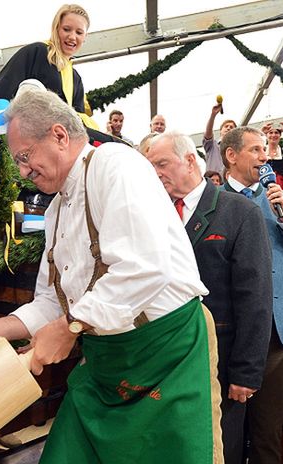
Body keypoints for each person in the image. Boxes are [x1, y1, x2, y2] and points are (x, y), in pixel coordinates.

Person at [0, 88, 223, 463]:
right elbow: (52, 302)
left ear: (58, 135)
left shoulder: (116, 165)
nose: (22, 171)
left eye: (25, 157)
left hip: (167, 351)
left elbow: (145, 266)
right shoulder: (56, 211)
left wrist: (70, 327)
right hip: (106, 364)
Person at [147, 131, 273, 463]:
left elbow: (255, 295)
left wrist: (246, 372)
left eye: (161, 163)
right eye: (150, 167)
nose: (155, 173)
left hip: (221, 362)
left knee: (220, 448)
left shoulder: (239, 211)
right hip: (164, 361)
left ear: (190, 160)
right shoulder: (149, 214)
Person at [220, 126, 283, 464]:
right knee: (227, 430)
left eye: (265, 151)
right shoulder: (214, 202)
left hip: (275, 332)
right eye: (256, 150)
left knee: (268, 431)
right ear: (231, 156)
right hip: (229, 331)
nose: (264, 157)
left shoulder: (276, 198)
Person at [0, 4, 119, 146]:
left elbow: (77, 123)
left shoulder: (75, 78)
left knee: (118, 146)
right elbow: (2, 89)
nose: (72, 37)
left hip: (60, 141)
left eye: (79, 32)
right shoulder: (37, 52)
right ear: (56, 28)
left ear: (85, 37)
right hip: (25, 135)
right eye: (66, 29)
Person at [203, 101, 237, 173]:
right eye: (226, 126)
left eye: (231, 127)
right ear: (220, 131)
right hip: (213, 182)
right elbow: (208, 134)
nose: (228, 128)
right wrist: (213, 115)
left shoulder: (237, 149)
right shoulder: (212, 146)